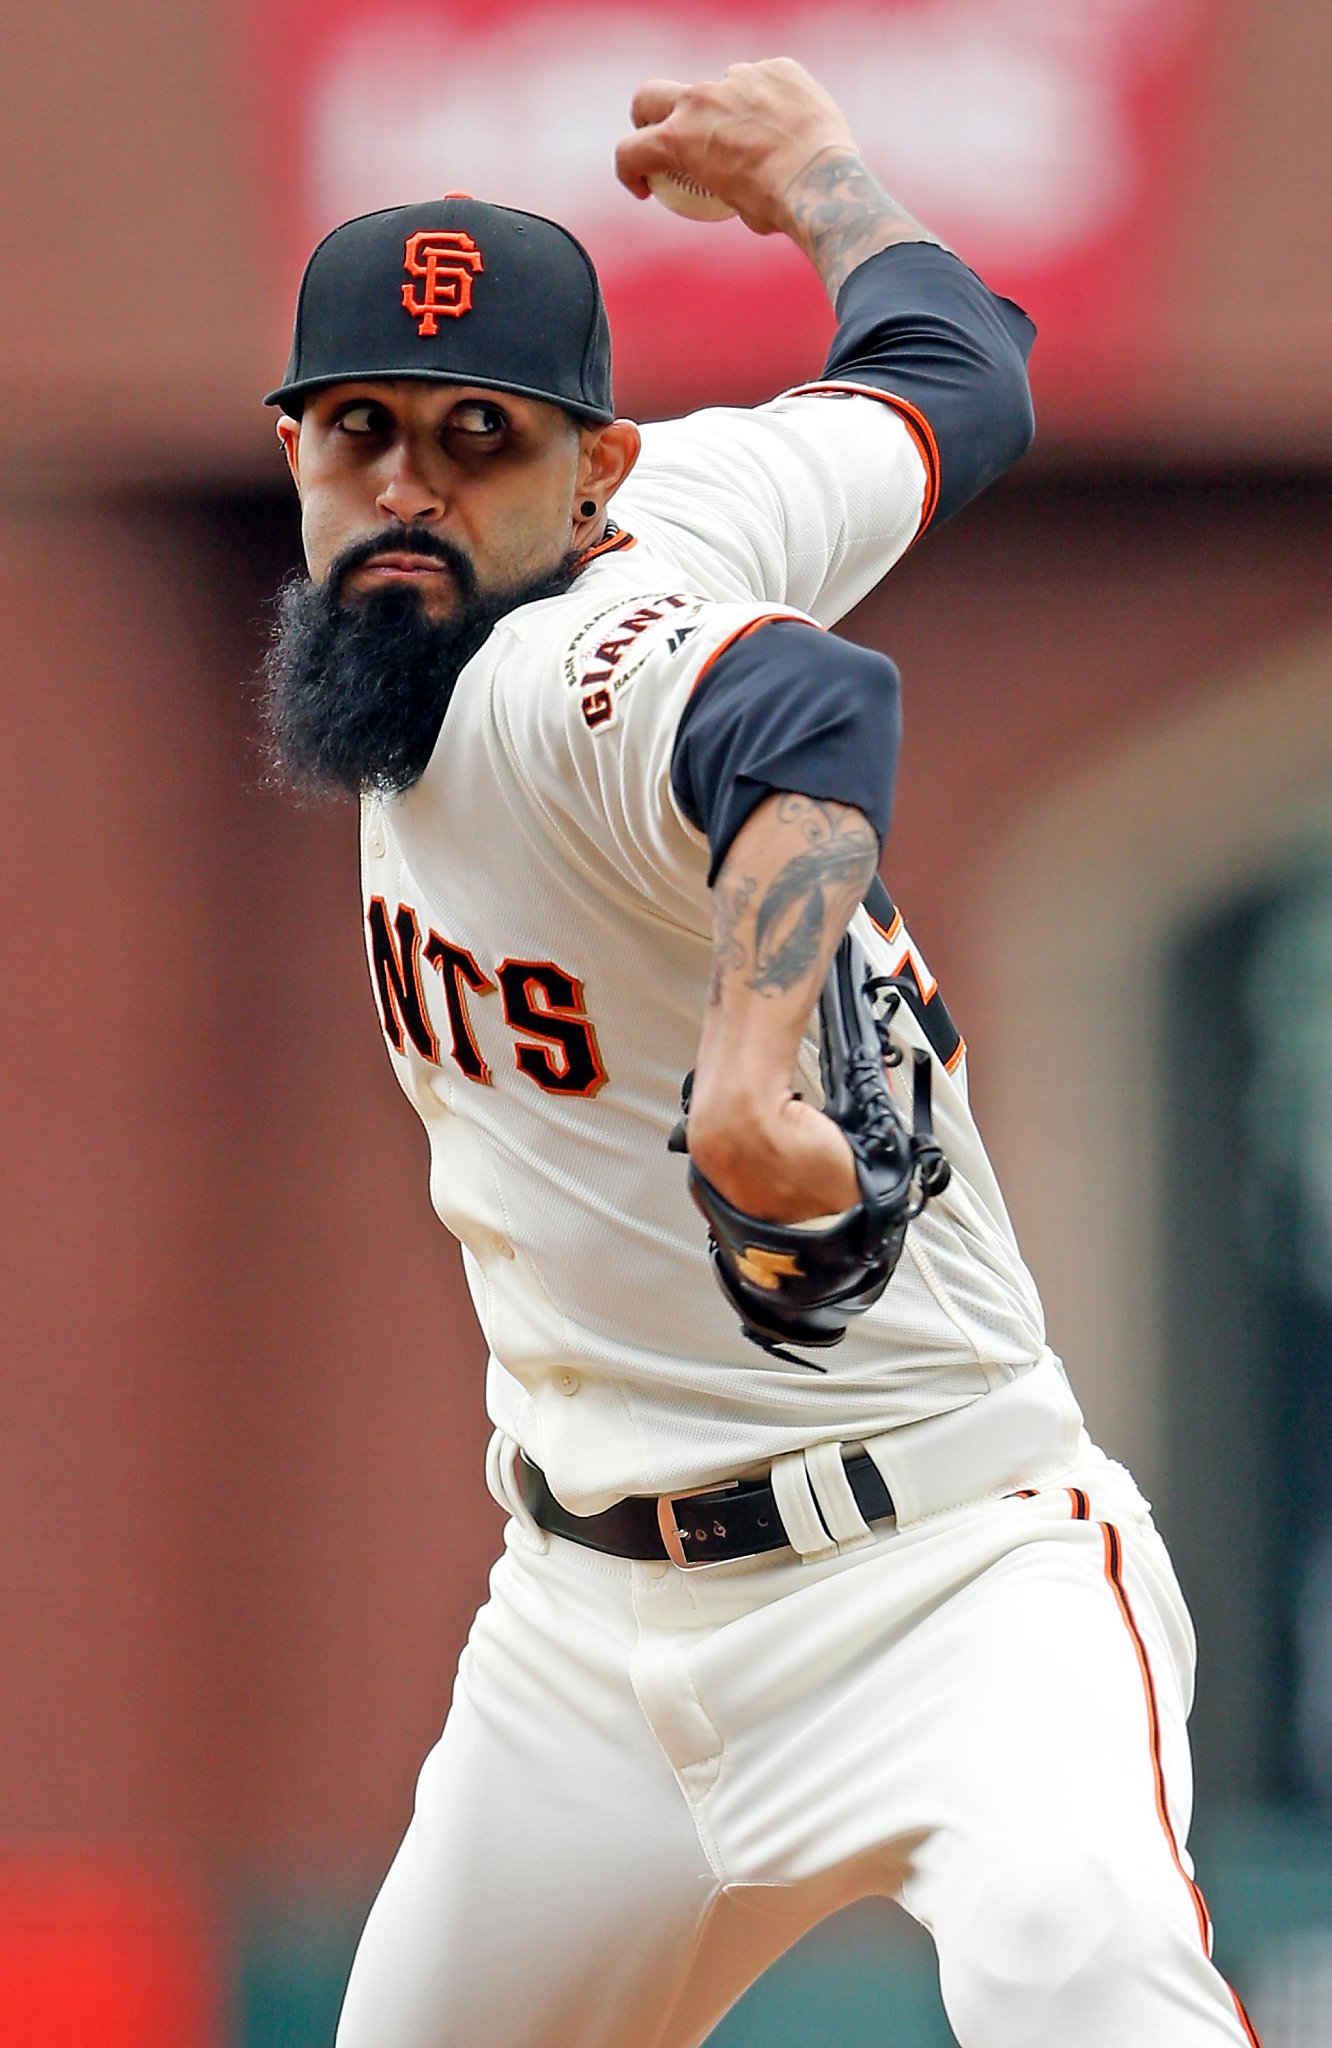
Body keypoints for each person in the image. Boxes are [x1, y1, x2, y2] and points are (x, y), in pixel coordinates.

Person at [260, 58, 1260, 2048]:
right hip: (584, 1637)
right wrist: (821, 173)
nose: (407, 489)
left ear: (593, 474)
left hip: (944, 1579)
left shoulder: (559, 674)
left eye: (479, 439)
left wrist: (749, 1064)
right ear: (293, 447)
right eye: (360, 428)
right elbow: (956, 364)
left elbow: (804, 708)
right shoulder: (708, 494)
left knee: (1086, 1969)